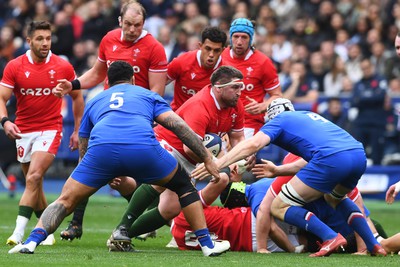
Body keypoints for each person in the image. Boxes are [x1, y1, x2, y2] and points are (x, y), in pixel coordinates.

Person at [8, 60, 230, 257]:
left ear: (107, 81)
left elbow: (84, 147)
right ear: (133, 80)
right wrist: (207, 159)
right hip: (142, 148)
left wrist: (88, 176)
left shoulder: (95, 101)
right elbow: (178, 125)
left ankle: (30, 242)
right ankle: (207, 245)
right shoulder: (147, 94)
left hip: (101, 152)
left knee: (64, 200)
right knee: (183, 185)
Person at [192, 97, 387, 257]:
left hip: (332, 158)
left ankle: (330, 237)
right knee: (334, 198)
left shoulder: (279, 121)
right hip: (357, 154)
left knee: (279, 206)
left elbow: (253, 145)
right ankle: (374, 245)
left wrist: (218, 163)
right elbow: (310, 159)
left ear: (271, 117)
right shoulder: (308, 116)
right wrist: (278, 171)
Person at [53, 0, 168, 241]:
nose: (132, 29)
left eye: (137, 25)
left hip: (136, 119)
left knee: (132, 176)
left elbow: (156, 91)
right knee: (85, 164)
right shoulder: (109, 39)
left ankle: (150, 216)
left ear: (144, 24)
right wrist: (73, 84)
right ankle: (76, 224)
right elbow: (97, 73)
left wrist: (147, 120)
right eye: (128, 24)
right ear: (120, 21)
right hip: (106, 114)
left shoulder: (154, 48)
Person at [107, 65, 252, 250]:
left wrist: (242, 158)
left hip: (194, 155)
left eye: (241, 87)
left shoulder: (235, 105)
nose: (241, 92)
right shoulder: (201, 105)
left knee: (170, 209)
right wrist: (216, 162)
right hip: (169, 145)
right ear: (218, 87)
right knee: (162, 179)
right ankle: (123, 228)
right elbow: (189, 147)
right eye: (235, 87)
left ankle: (119, 238)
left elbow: (238, 138)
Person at [0, 21, 84, 246]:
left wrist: (77, 130)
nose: (45, 43)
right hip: (23, 130)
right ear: (29, 41)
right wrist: (5, 121)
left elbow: (77, 97)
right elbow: (1, 97)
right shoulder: (15, 66)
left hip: (50, 129)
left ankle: (18, 233)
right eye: (40, 39)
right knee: (34, 184)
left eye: (48, 38)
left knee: (34, 177)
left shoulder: (62, 66)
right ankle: (46, 231)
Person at [222, 17, 282, 138]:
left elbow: (277, 96)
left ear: (250, 40)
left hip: (248, 123)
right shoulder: (220, 56)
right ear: (230, 37)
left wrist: (262, 107)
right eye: (236, 36)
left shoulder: (263, 62)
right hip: (221, 120)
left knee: (240, 156)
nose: (239, 42)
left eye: (244, 37)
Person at [168, 26, 226, 111]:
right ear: (200, 46)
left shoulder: (226, 72)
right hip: (178, 117)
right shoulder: (182, 61)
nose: (211, 54)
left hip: (208, 120)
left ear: (222, 50)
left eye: (216, 50)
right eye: (208, 49)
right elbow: (159, 82)